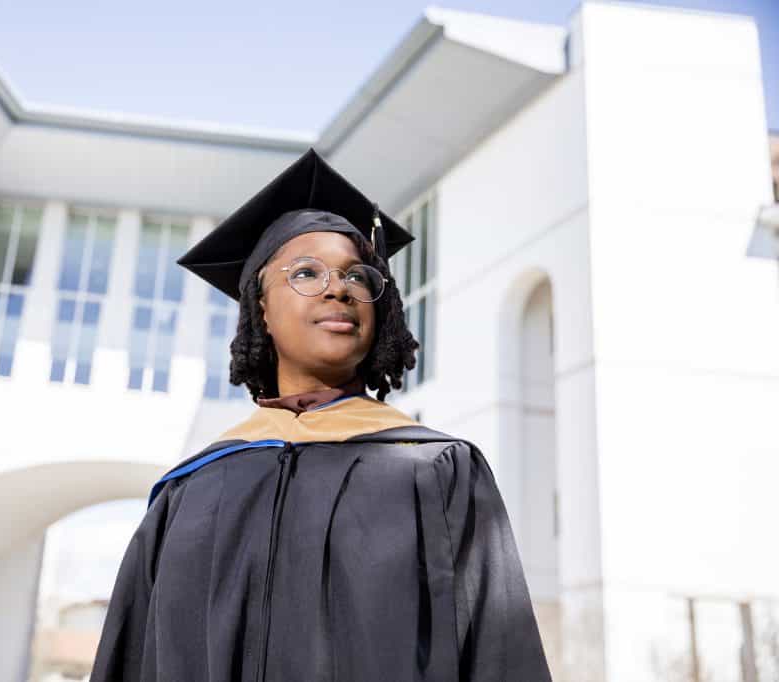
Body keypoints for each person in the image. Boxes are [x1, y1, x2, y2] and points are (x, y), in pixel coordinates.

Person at [88, 148, 552, 681]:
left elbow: (499, 659)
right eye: (306, 272)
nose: (339, 288)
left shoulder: (436, 469)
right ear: (259, 304)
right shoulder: (189, 490)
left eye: (359, 277)